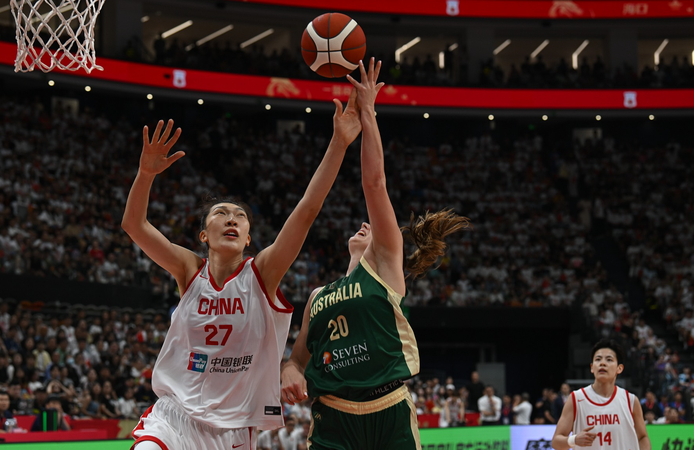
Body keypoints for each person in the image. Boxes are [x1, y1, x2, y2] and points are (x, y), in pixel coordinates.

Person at [124, 80, 364, 450]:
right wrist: (145, 175)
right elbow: (135, 226)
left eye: (240, 216)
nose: (232, 219)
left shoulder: (261, 273)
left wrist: (339, 143)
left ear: (249, 238)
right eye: (221, 214)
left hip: (233, 430)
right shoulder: (189, 270)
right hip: (175, 418)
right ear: (204, 235)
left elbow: (307, 210)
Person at [280, 58, 470, 450]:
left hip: (389, 411)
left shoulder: (384, 265)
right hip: (332, 415)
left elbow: (374, 183)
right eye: (360, 229)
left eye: (371, 229)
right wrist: (288, 371)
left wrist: (368, 112)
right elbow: (298, 359)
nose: (364, 228)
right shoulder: (318, 296)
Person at [552, 339, 651, 450]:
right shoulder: (576, 398)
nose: (602, 363)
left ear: (619, 368)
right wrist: (573, 440)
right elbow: (556, 442)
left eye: (609, 360)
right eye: (598, 359)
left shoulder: (630, 400)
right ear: (592, 368)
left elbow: (643, 437)